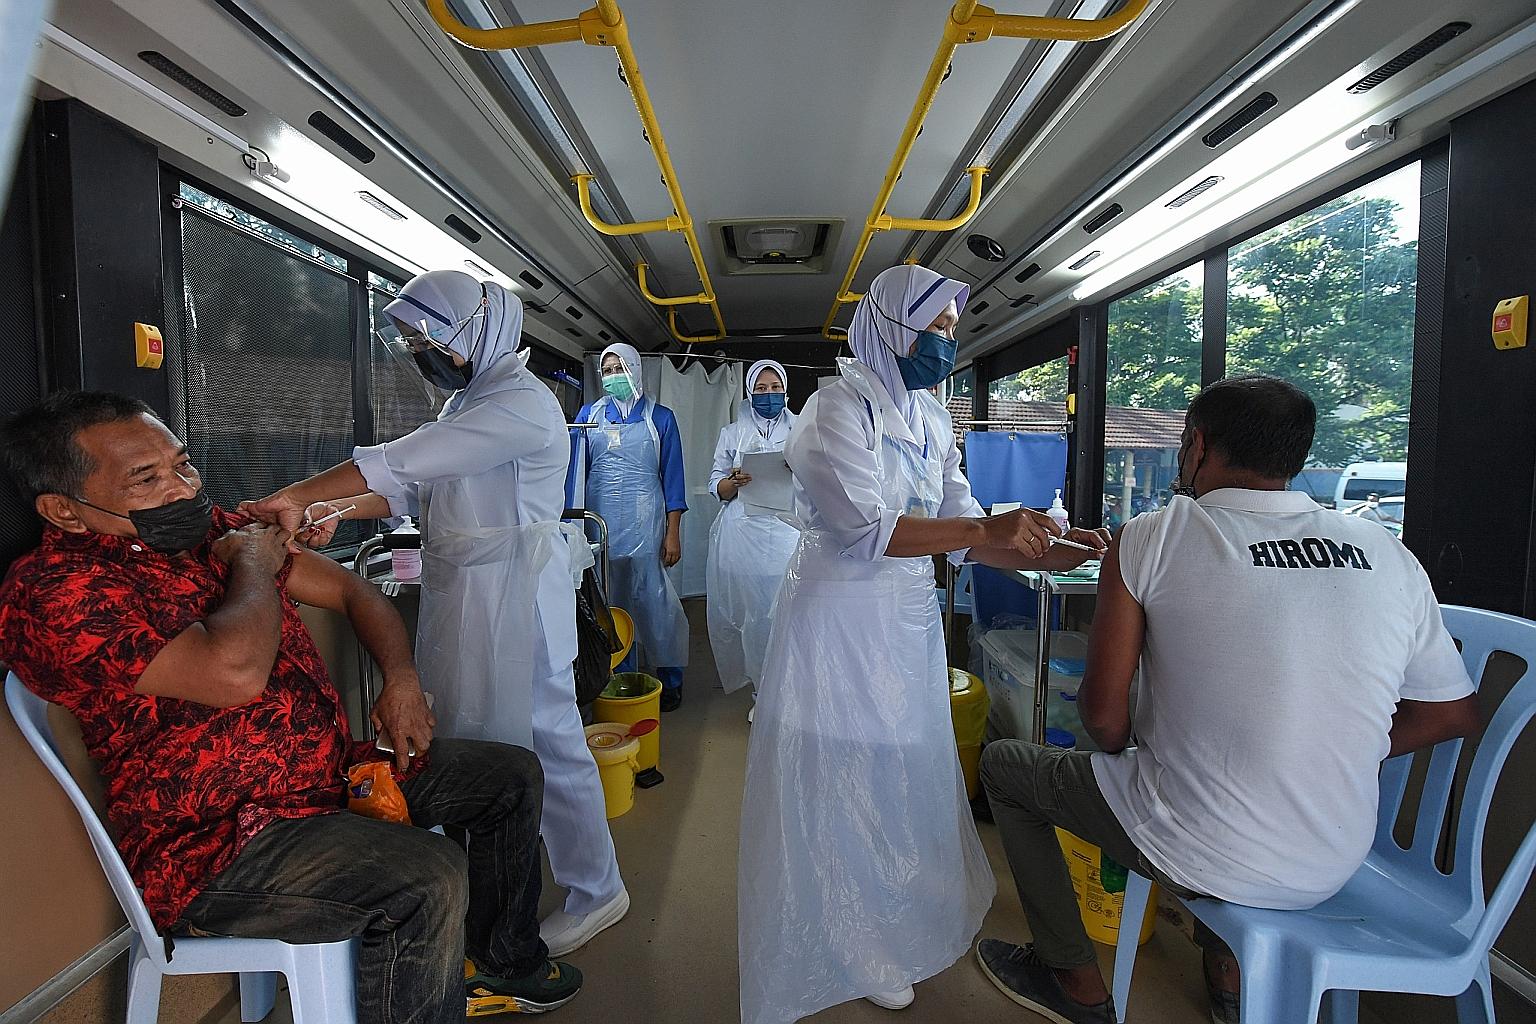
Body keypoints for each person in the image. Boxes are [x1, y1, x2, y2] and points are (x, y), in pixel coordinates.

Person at [0, 391, 582, 1021]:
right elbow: (235, 673)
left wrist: (402, 678)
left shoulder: (209, 537)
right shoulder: (59, 594)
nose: (181, 491)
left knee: (506, 777)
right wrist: (252, 562)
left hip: (325, 782)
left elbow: (355, 591)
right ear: (64, 510)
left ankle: (500, 962)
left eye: (183, 465)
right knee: (427, 873)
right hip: (215, 845)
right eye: (147, 479)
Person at [975, 376, 1481, 1024]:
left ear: (1197, 446)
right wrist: (1323, 741)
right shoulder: (1387, 552)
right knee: (1215, 775)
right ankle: (1229, 980)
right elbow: (1453, 713)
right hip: (1334, 856)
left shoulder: (1152, 537)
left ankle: (1070, 980)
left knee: (1008, 768)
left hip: (1200, 847)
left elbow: (1103, 724)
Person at [736, 264, 1108, 1023]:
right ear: (890, 327)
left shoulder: (931, 416)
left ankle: (888, 912)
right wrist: (984, 530)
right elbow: (866, 528)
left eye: (950, 328)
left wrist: (1050, 549)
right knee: (840, 770)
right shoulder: (833, 411)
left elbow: (967, 528)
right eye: (933, 327)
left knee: (901, 766)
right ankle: (849, 936)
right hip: (838, 618)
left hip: (905, 618)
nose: (945, 340)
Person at [243, 271, 629, 958]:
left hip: (517, 596)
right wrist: (329, 510)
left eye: (430, 339)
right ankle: (491, 875)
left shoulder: (521, 403)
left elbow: (403, 461)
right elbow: (411, 490)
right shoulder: (468, 404)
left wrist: (296, 496)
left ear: (477, 331)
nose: (421, 352)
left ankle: (598, 890)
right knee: (475, 733)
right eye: (411, 341)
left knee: (552, 747)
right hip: (471, 591)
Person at [569, 342, 690, 712]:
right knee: (608, 602)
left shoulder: (661, 418)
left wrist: (673, 532)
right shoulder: (590, 414)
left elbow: (673, 480)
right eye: (606, 370)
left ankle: (670, 677)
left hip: (646, 525)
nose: (612, 376)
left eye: (619, 368)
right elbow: (575, 473)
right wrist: (572, 525)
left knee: (654, 602)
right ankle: (617, 675)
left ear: (636, 370)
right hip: (599, 525)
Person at [705, 359, 799, 716]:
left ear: (786, 390)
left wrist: (798, 466)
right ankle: (762, 693)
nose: (769, 395)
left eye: (775, 388)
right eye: (761, 389)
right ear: (748, 392)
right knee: (755, 620)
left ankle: (788, 690)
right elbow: (717, 484)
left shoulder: (802, 428)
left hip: (788, 534)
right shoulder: (733, 433)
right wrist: (733, 481)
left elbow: (821, 478)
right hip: (743, 536)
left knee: (788, 616)